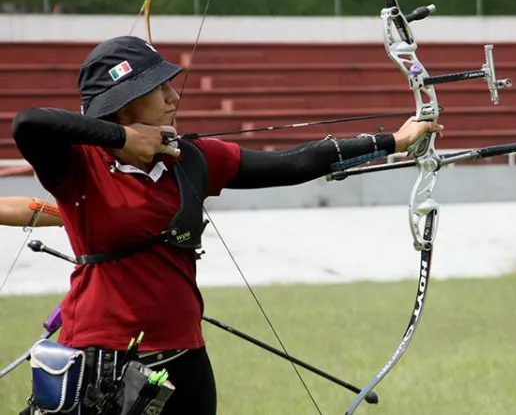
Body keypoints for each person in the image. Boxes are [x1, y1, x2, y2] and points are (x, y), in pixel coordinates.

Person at [10, 35, 441, 415]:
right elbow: (28, 122)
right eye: (157, 89)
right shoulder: (78, 166)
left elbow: (294, 163)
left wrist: (392, 141)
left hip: (184, 358)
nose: (173, 98)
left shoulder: (193, 159)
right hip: (103, 359)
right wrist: (125, 140)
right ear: (124, 105)